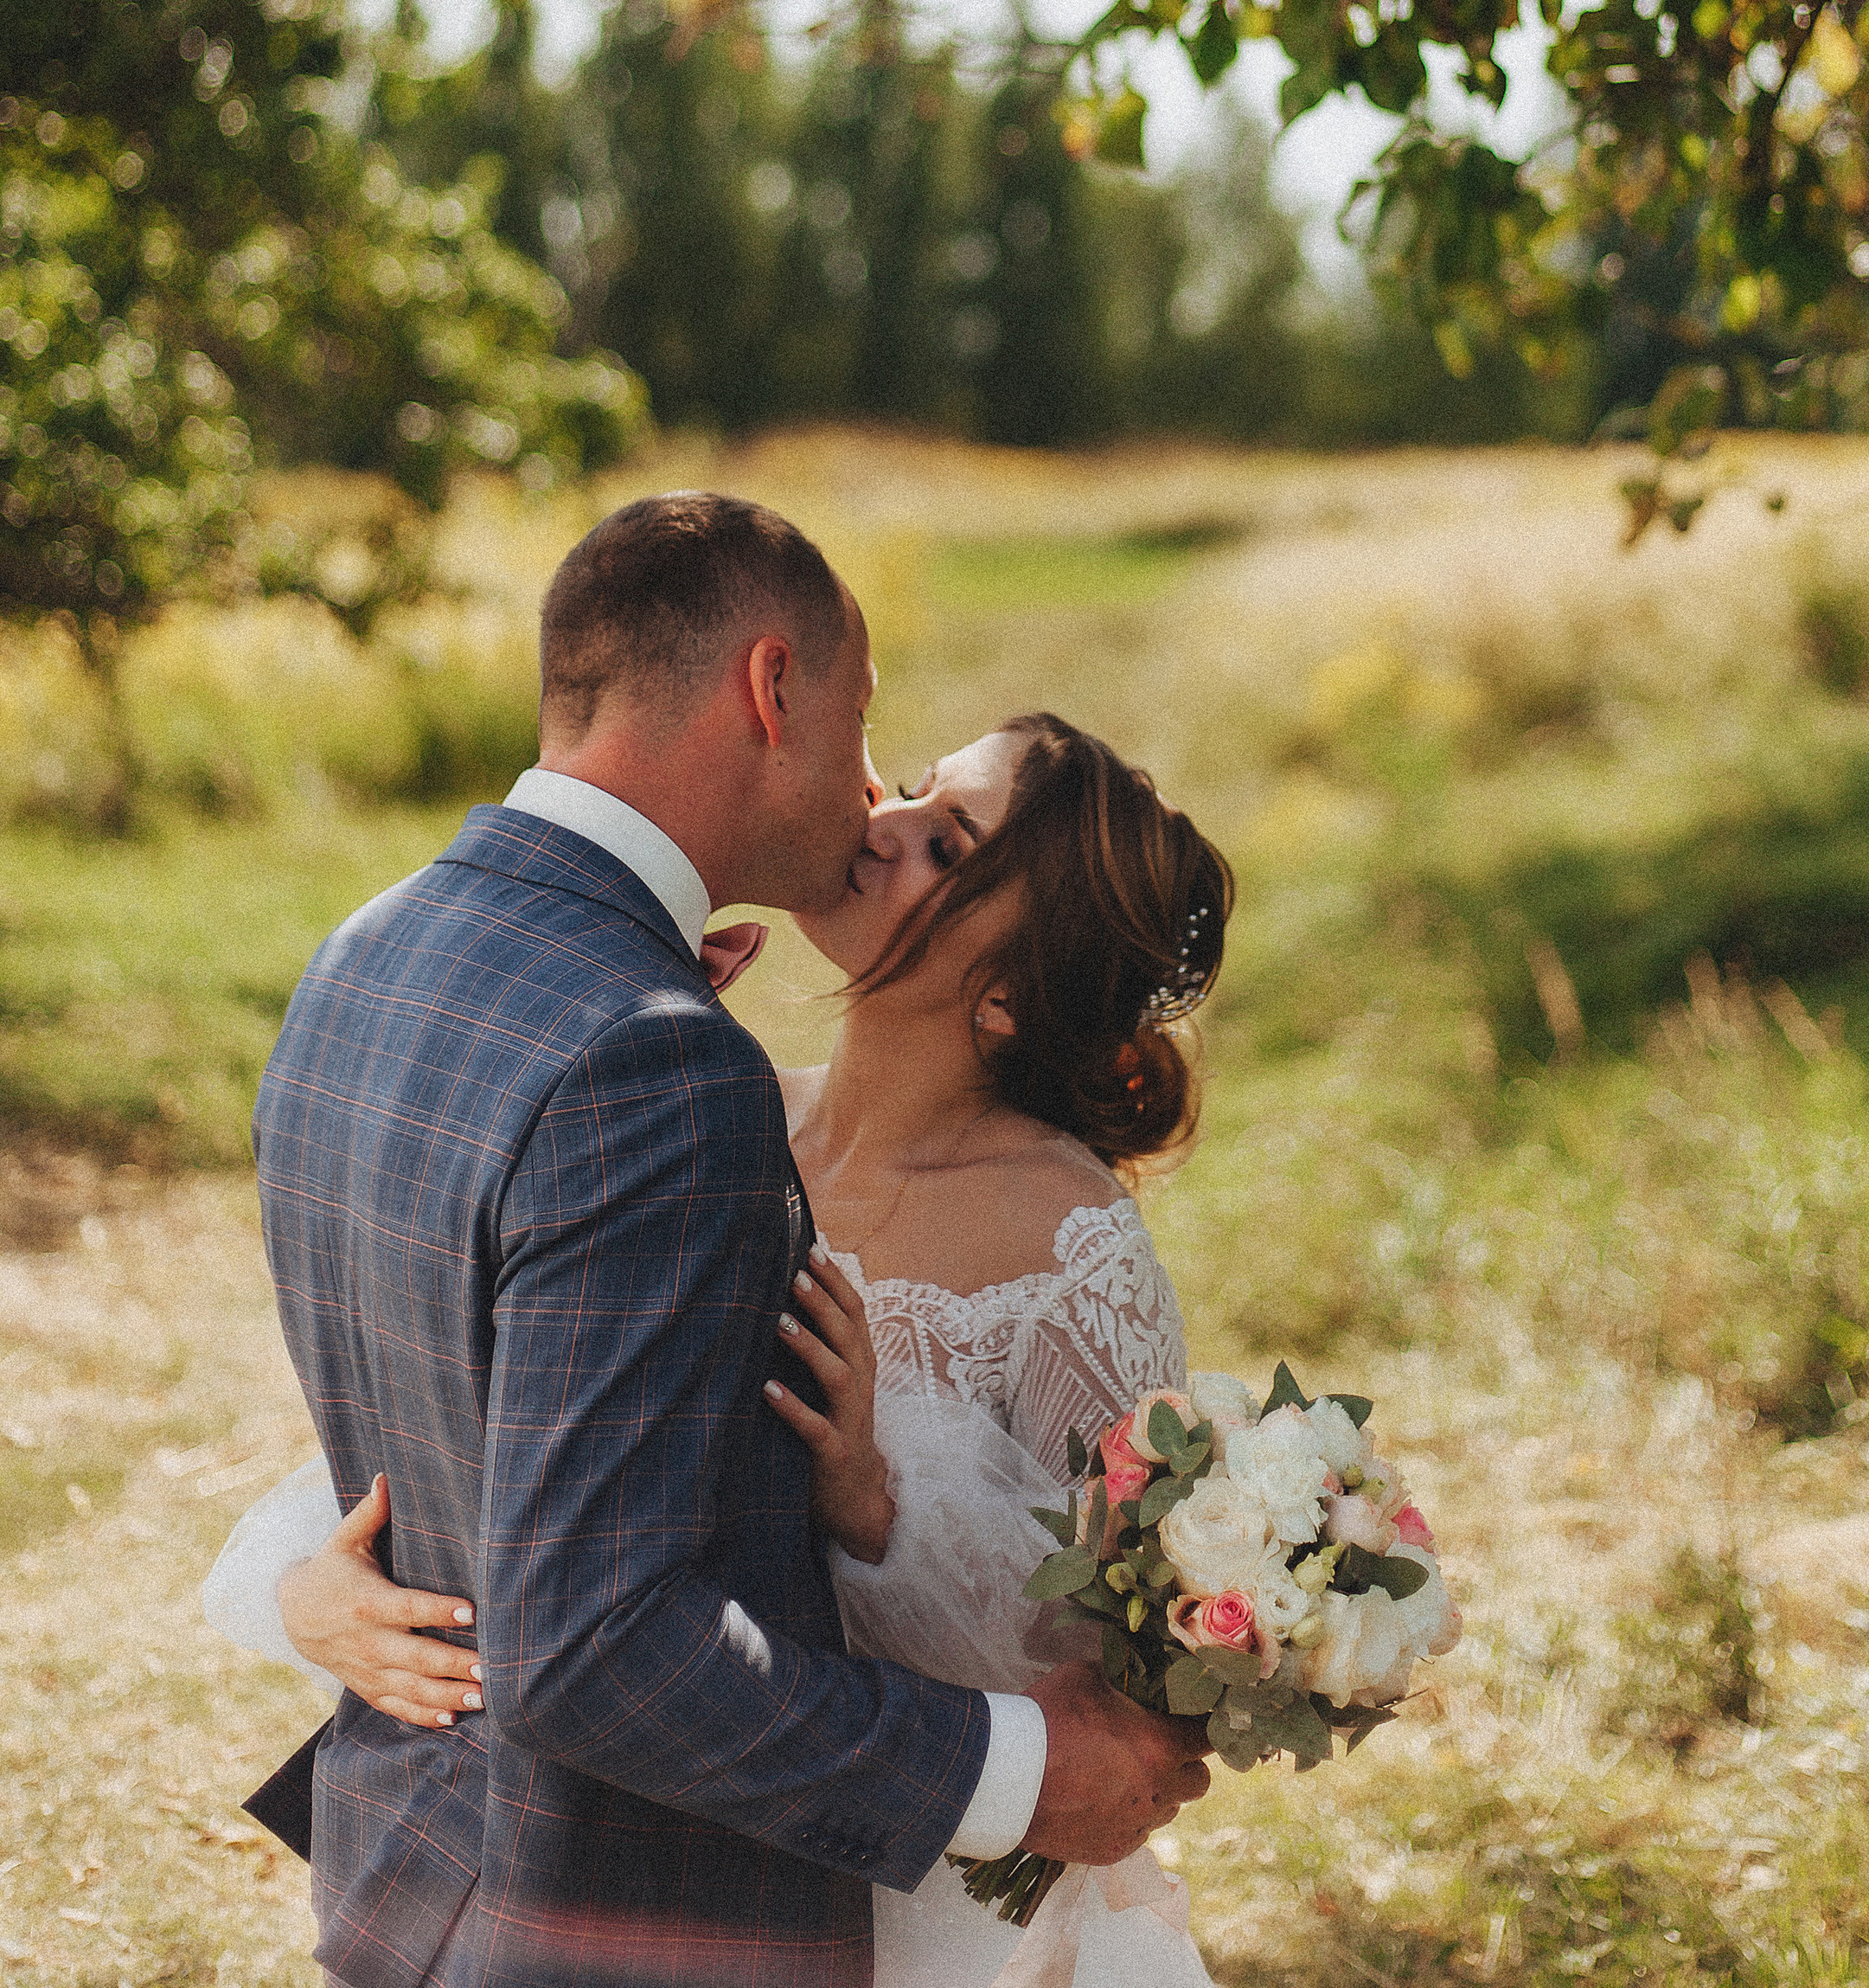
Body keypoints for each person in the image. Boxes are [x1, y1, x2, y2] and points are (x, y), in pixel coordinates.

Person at [227, 491, 1208, 1988]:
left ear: (1010, 986)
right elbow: (544, 1554)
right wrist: (313, 1583)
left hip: (624, 1895)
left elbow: (1132, 1648)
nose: (876, 805)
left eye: (942, 832)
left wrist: (875, 1508)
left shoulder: (373, 948)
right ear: (771, 690)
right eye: (885, 747)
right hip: (623, 1906)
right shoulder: (672, 1072)